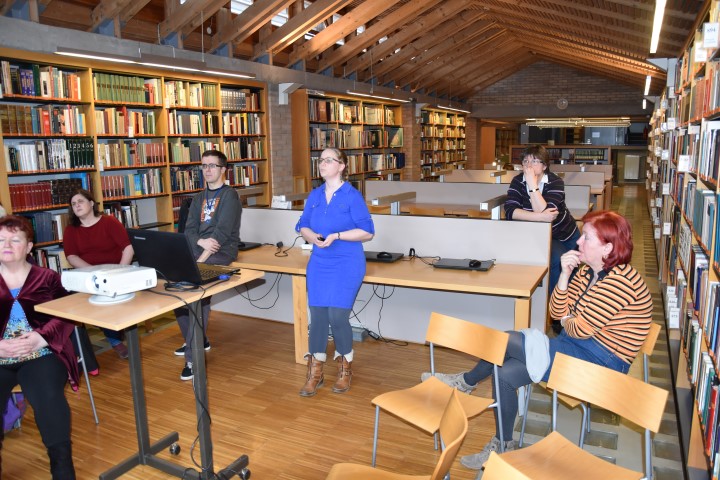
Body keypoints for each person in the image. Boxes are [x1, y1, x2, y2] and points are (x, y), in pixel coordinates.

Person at [422, 210, 653, 470]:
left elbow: (579, 328)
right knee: (503, 373)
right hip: (573, 347)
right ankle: (503, 444)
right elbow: (557, 313)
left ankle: (466, 381)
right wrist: (564, 276)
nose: (578, 241)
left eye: (586, 237)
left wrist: (568, 319)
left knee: (507, 339)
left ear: (608, 247)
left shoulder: (622, 282)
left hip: (602, 366)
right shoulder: (587, 272)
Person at [0, 215, 79, 479]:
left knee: (47, 396)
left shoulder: (47, 277)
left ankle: (62, 468)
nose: (6, 245)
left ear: (29, 247)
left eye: (15, 239)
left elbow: (68, 313)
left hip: (42, 354)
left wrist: (41, 337)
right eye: (0, 239)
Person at [296, 148, 374, 397]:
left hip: (347, 262)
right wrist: (312, 238)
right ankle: (315, 372)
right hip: (320, 262)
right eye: (320, 160)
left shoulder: (352, 195)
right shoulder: (315, 194)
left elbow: (367, 232)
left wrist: (337, 236)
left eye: (329, 160)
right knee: (318, 316)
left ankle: (344, 368)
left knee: (337, 316)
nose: (323, 164)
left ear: (341, 166)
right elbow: (303, 225)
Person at [175, 150, 241, 381]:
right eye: (204, 166)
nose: (208, 170)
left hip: (221, 252)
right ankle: (196, 339)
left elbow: (221, 233)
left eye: (212, 165)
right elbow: (189, 230)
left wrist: (199, 262)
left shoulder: (230, 196)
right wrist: (200, 243)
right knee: (175, 291)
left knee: (197, 294)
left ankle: (193, 359)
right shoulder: (198, 198)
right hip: (198, 250)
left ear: (223, 170)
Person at [63, 189, 132, 360]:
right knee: (94, 300)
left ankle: (117, 332)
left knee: (112, 300)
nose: (77, 206)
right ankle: (113, 341)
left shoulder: (109, 222)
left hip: (115, 272)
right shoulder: (71, 230)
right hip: (88, 276)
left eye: (80, 201)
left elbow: (128, 248)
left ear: (91, 203)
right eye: (73, 204)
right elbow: (71, 257)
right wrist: (93, 274)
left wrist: (120, 272)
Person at [505, 145, 581, 297]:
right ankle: (554, 305)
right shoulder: (518, 181)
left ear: (544, 166)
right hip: (542, 235)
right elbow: (511, 212)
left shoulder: (555, 181)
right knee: (557, 263)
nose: (529, 166)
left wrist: (532, 185)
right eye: (525, 161)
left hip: (566, 234)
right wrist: (540, 217)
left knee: (572, 272)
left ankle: (570, 303)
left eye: (534, 161)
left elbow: (546, 211)